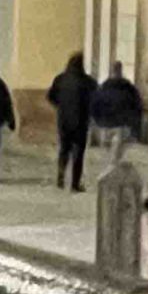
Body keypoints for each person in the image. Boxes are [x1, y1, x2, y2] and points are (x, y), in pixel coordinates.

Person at [47, 52, 97, 193]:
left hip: (64, 120)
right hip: (81, 121)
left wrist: (61, 106)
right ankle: (75, 183)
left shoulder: (60, 79)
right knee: (78, 153)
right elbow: (95, 99)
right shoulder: (88, 82)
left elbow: (51, 97)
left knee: (64, 149)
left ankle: (60, 178)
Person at [91, 60, 144, 165]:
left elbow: (95, 105)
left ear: (112, 71)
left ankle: (112, 166)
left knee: (109, 150)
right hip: (122, 123)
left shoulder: (103, 87)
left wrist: (97, 120)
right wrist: (135, 124)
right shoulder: (129, 88)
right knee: (117, 152)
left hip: (106, 123)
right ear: (121, 70)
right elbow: (137, 105)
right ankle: (114, 166)